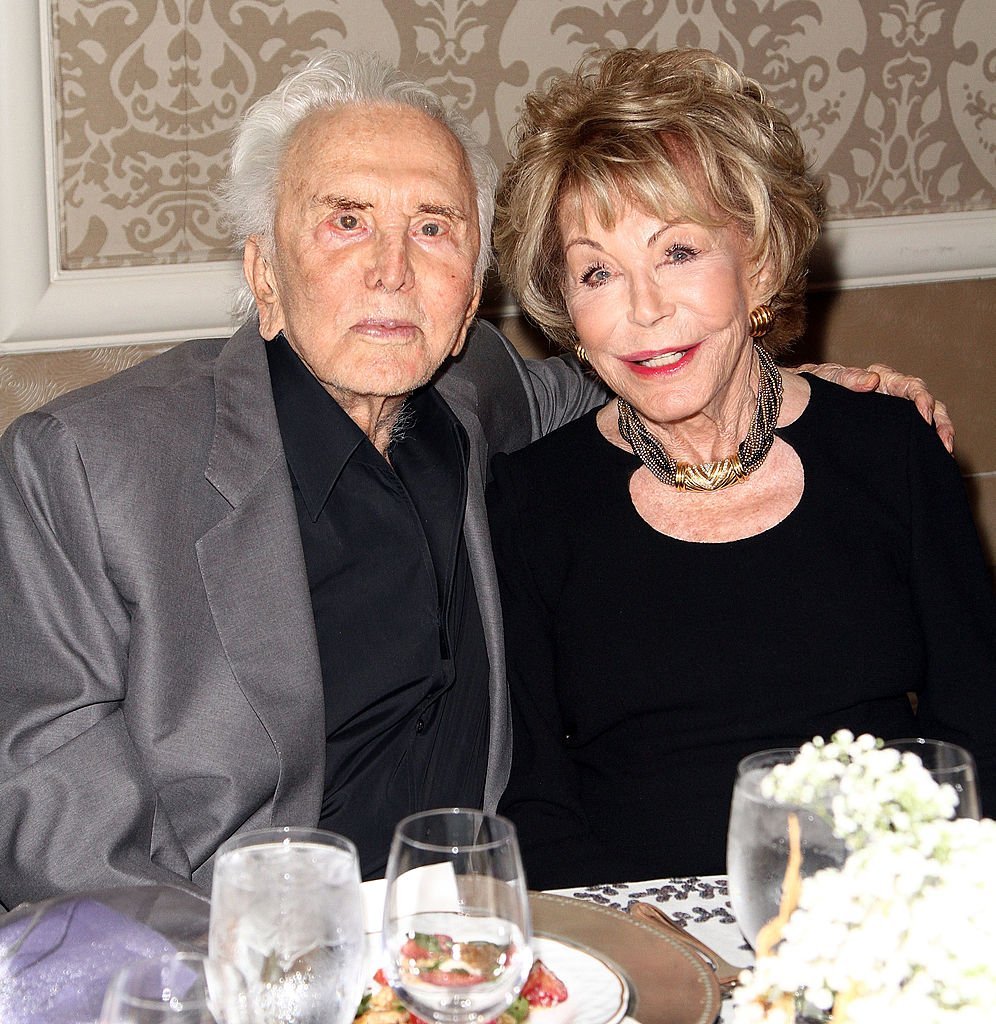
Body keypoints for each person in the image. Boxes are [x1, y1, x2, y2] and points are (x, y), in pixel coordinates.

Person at [0, 50, 948, 911]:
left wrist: (807, 389)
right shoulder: (90, 470)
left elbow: (651, 358)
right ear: (265, 275)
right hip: (250, 959)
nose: (392, 271)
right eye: (345, 221)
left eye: (433, 228)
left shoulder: (481, 395)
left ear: (467, 306)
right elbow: (65, 857)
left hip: (494, 941)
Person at [487, 47, 996, 889]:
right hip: (645, 944)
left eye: (678, 252)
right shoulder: (529, 504)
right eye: (597, 272)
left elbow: (979, 733)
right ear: (568, 313)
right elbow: (535, 806)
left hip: (881, 918)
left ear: (757, 261)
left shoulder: (889, 450)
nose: (644, 310)